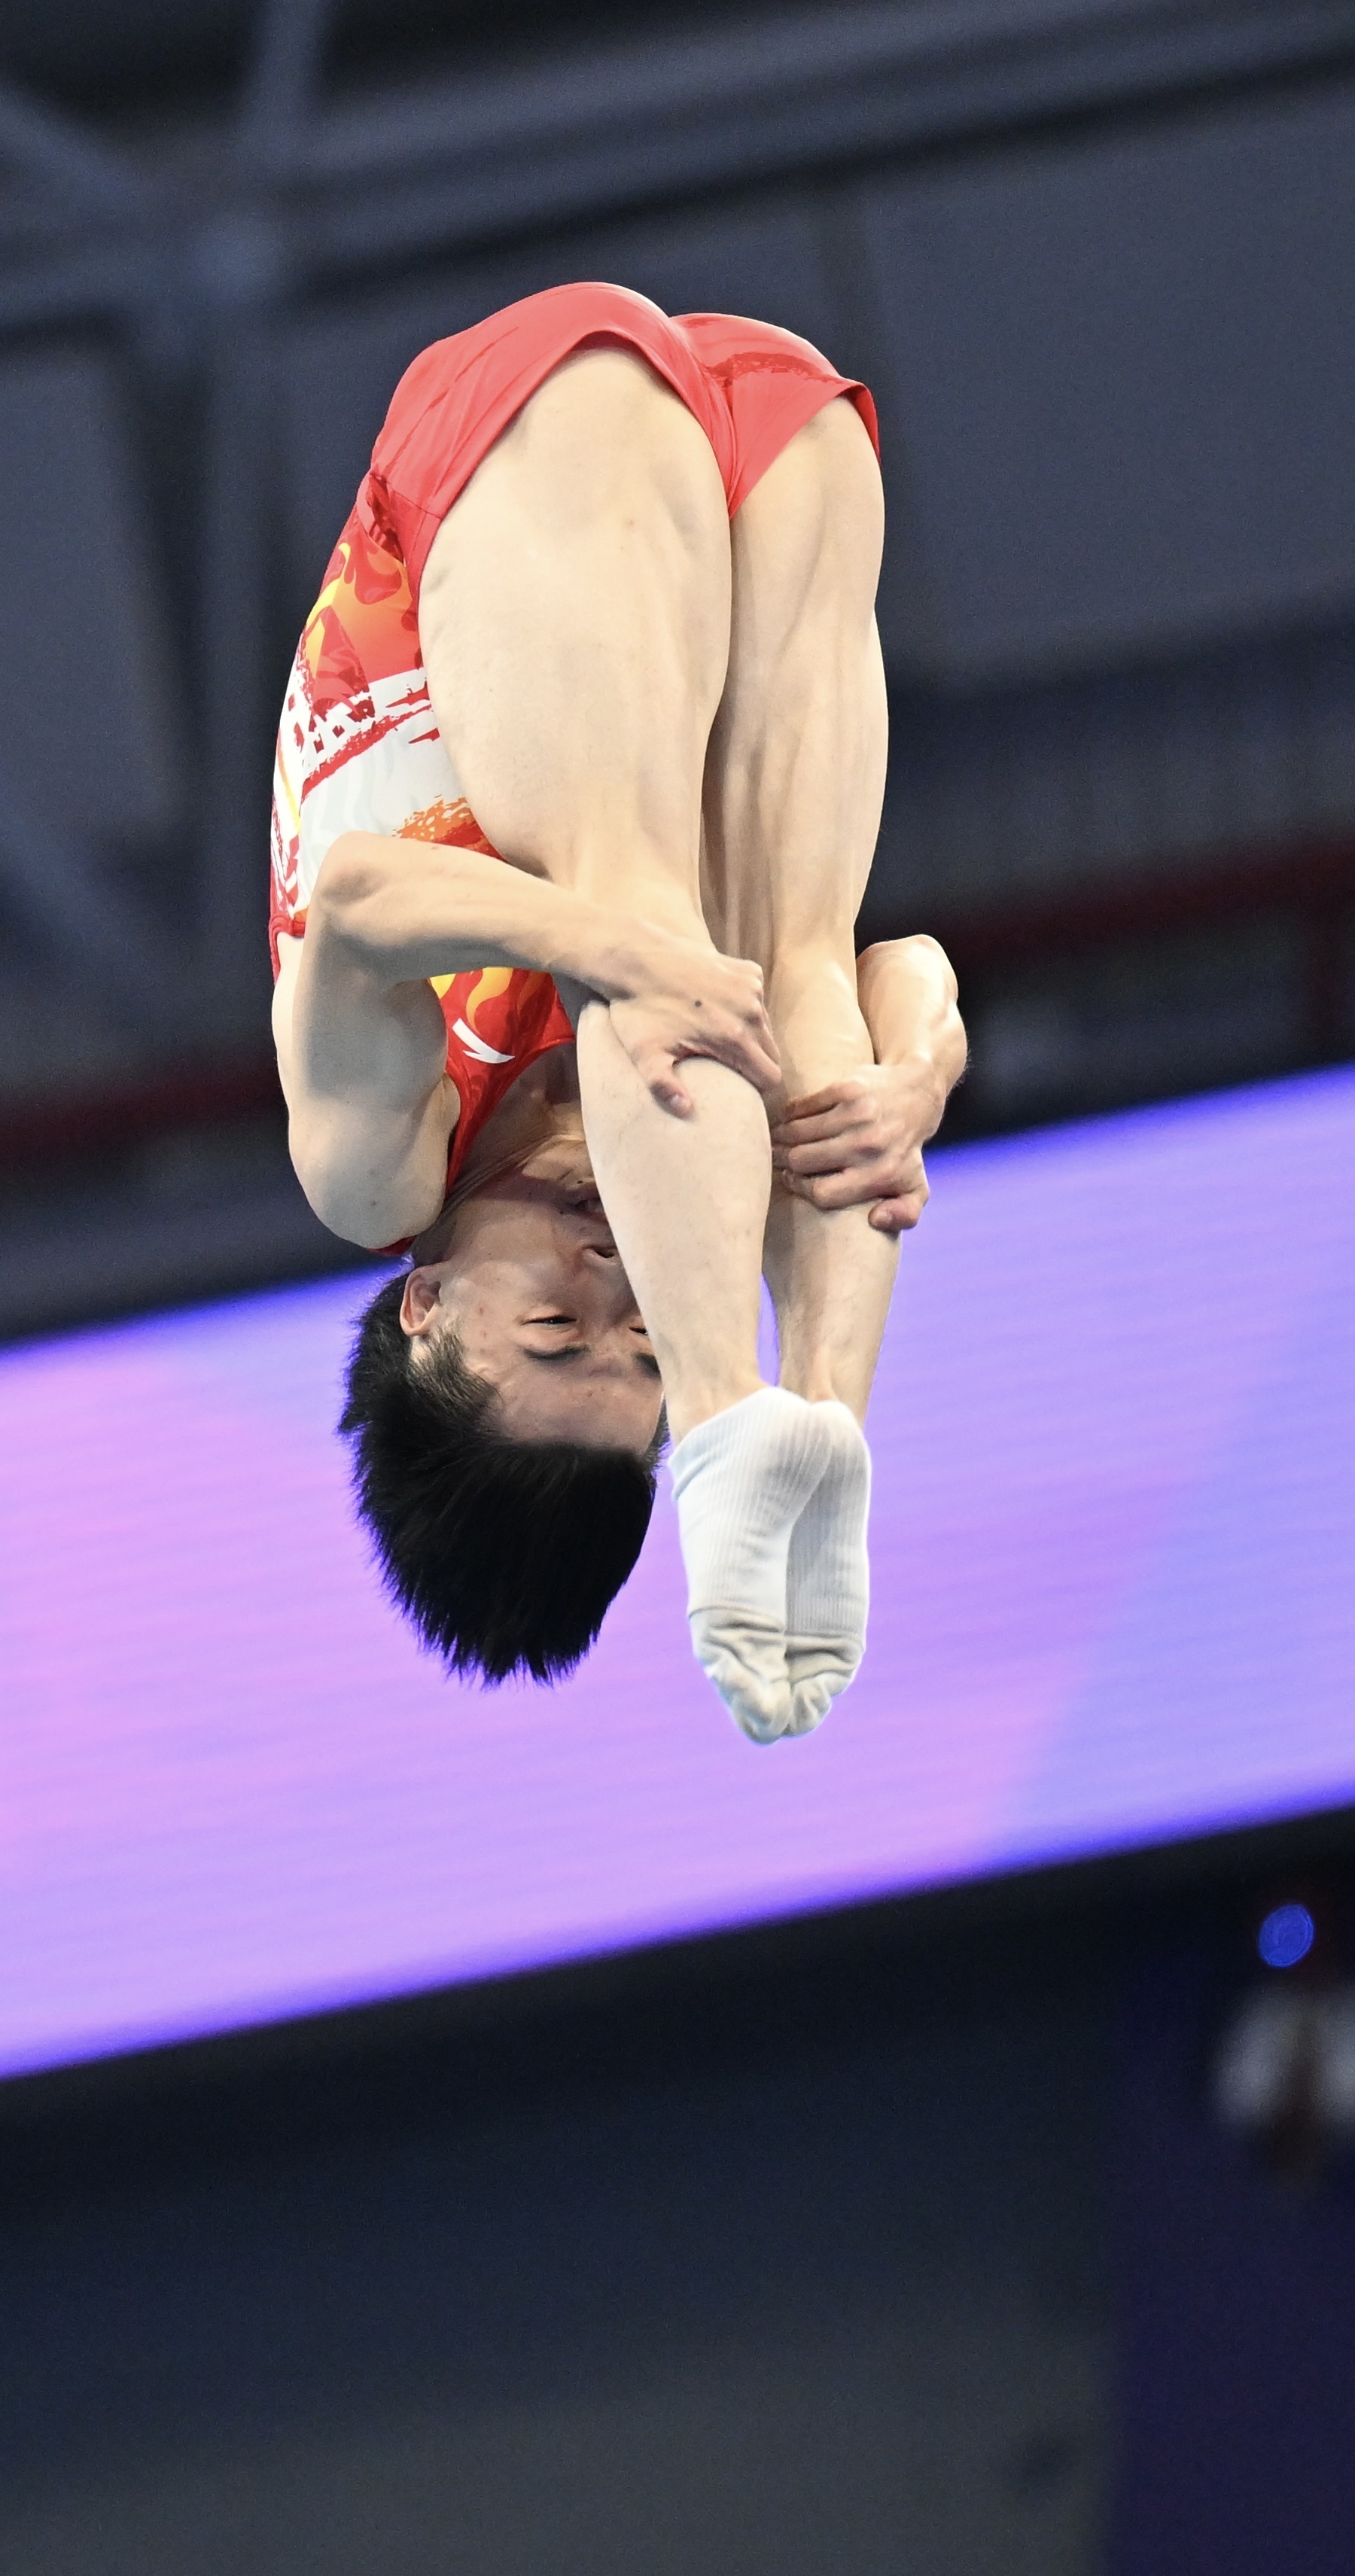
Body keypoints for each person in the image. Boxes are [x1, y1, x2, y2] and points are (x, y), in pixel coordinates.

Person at [266, 282, 966, 1738]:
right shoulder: (683, 1201)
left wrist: (616, 948)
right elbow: (902, 966)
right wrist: (920, 1074)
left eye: (553, 1329)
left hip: (523, 454)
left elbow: (359, 903)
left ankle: (719, 1425)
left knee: (635, 916)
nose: (612, 1289)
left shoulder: (377, 1174)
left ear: (427, 1316)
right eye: (641, 1350)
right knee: (806, 986)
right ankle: (816, 1428)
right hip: (771, 446)